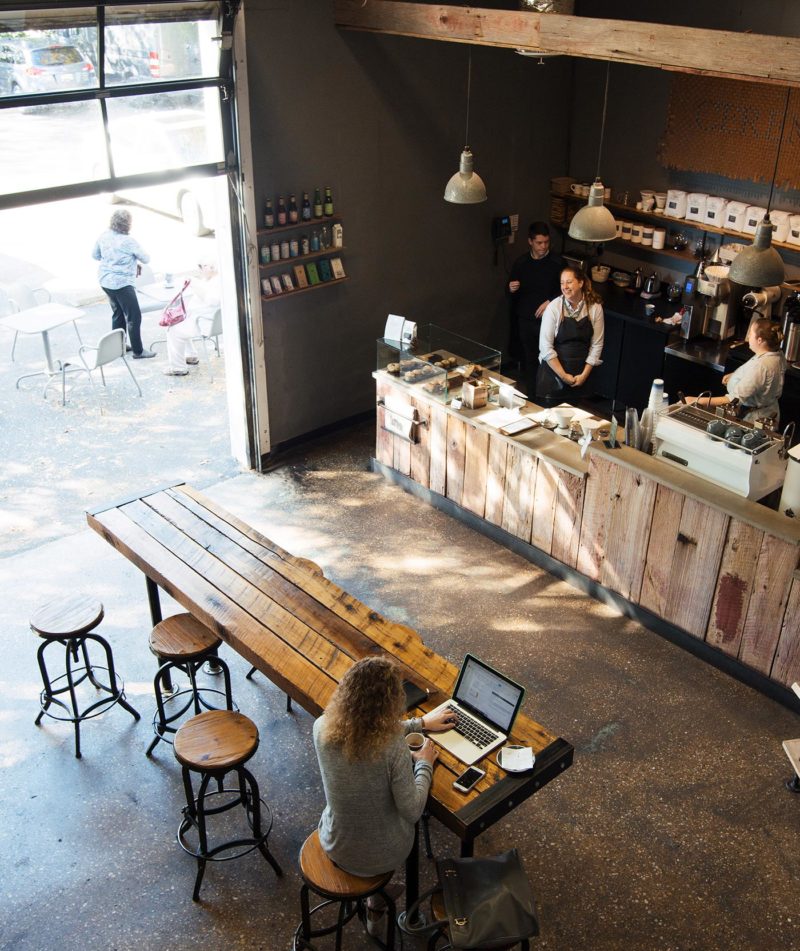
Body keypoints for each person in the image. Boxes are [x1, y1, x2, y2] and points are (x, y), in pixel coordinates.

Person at [313, 657, 456, 931]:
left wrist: (421, 723)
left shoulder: (321, 727)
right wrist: (425, 763)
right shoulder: (391, 748)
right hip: (384, 854)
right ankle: (379, 900)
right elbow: (413, 811)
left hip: (334, 841)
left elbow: (366, 729)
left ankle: (375, 901)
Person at [688, 318, 786, 423]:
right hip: (769, 412)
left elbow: (733, 399)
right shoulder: (777, 354)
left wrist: (696, 400)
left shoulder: (761, 366)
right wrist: (736, 376)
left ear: (759, 340)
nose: (748, 337)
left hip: (754, 420)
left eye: (751, 334)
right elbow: (759, 380)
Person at [507, 222, 563, 396]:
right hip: (525, 320)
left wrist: (550, 302)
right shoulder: (521, 263)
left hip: (549, 321)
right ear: (530, 241)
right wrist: (510, 288)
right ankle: (532, 397)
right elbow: (511, 293)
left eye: (546, 242)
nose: (543, 246)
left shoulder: (557, 263)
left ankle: (548, 396)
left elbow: (566, 291)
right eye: (539, 243)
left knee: (548, 359)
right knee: (529, 360)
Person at [91, 209, 155, 359]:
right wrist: (131, 261)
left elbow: (95, 255)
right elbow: (146, 258)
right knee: (134, 316)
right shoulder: (128, 241)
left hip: (105, 281)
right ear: (128, 224)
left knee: (117, 313)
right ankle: (138, 351)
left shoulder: (104, 236)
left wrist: (112, 261)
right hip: (122, 284)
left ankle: (119, 346)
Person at [536, 264, 604, 404]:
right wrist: (564, 376)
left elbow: (597, 344)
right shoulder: (553, 308)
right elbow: (545, 348)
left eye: (569, 282)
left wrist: (584, 375)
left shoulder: (594, 307)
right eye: (562, 283)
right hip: (554, 375)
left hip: (580, 375)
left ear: (580, 282)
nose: (564, 286)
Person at [163, 260, 220, 377]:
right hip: (212, 322)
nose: (201, 269)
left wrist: (195, 285)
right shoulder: (217, 280)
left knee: (172, 329)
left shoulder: (213, 284)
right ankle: (191, 355)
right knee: (180, 323)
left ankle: (177, 367)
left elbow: (212, 300)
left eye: (204, 266)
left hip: (205, 324)